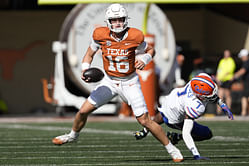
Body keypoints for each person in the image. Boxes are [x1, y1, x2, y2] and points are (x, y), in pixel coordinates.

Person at [52, 3, 183, 162]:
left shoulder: (135, 36)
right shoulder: (100, 34)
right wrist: (85, 70)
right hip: (109, 81)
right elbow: (89, 54)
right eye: (114, 20)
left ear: (125, 20)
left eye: (120, 19)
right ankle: (73, 136)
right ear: (108, 21)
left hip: (129, 82)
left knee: (144, 120)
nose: (118, 23)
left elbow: (151, 50)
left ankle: (171, 149)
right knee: (83, 111)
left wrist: (145, 58)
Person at [134, 73, 234, 160]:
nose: (212, 96)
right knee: (207, 133)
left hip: (172, 98)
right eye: (208, 95)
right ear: (199, 95)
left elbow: (210, 93)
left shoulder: (199, 80)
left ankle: (144, 130)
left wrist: (222, 105)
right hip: (175, 119)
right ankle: (176, 137)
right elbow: (187, 133)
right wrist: (196, 155)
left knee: (162, 114)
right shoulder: (194, 105)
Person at [215, 49, 236, 115]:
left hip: (227, 80)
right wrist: (217, 78)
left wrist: (222, 77)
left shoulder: (231, 61)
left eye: (227, 53)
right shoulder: (222, 61)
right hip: (221, 80)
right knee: (220, 95)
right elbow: (219, 70)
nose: (226, 55)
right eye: (225, 53)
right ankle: (219, 111)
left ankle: (228, 110)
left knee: (227, 95)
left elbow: (229, 71)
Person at [233, 49, 249, 116]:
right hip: (246, 82)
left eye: (242, 56)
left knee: (244, 97)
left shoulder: (246, 62)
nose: (241, 58)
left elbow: (243, 70)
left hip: (247, 82)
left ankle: (243, 112)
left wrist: (235, 76)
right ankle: (245, 112)